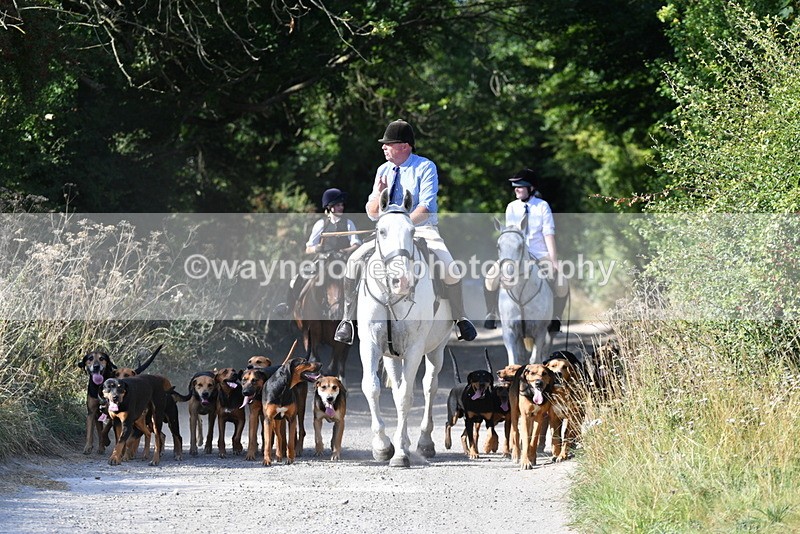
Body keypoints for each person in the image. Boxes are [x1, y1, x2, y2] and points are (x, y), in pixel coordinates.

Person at [333, 119, 477, 344]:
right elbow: (372, 212)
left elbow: (426, 207)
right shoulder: (383, 170)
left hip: (421, 229)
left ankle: (461, 318)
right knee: (353, 261)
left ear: (404, 146)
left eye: (388, 143)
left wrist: (403, 225)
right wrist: (378, 194)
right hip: (387, 234)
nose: (383, 147)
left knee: (450, 268)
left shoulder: (425, 167)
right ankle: (347, 321)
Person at [483, 168, 569, 332]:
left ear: (531, 188)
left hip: (539, 253)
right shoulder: (511, 207)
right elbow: (510, 235)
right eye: (515, 186)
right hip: (516, 255)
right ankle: (491, 313)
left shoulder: (542, 206)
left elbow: (548, 233)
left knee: (561, 281)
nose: (516, 189)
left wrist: (554, 260)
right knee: (490, 277)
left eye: (520, 186)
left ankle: (556, 317)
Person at [276, 188, 361, 316]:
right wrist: (318, 249)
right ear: (330, 207)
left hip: (343, 261)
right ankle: (289, 306)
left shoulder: (349, 223)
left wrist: (345, 251)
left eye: (342, 205)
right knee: (296, 279)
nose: (341, 207)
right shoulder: (321, 224)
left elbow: (356, 243)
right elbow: (308, 248)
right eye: (338, 205)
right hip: (324, 260)